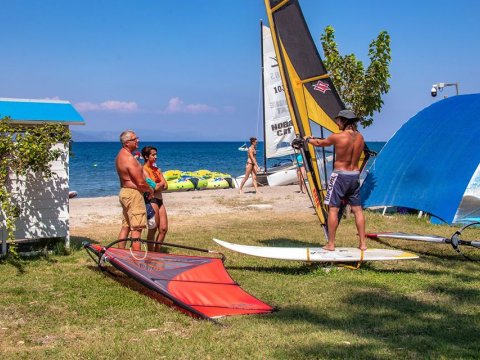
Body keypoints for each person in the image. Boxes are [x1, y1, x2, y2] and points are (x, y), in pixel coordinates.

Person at [304, 110, 367, 251]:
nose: (336, 122)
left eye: (338, 120)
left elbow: (320, 143)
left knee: (333, 209)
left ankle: (331, 244)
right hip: (354, 176)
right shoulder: (361, 138)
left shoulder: (338, 137)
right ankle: (363, 244)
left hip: (340, 176)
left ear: (344, 121)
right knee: (357, 210)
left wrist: (307, 139)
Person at [115, 130, 153, 251]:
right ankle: (136, 262)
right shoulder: (129, 159)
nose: (138, 140)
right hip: (133, 193)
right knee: (137, 229)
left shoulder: (120, 156)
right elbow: (140, 182)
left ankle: (120, 256)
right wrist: (150, 190)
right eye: (134, 139)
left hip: (125, 192)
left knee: (126, 226)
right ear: (126, 143)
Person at [141, 146, 168, 252]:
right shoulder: (144, 170)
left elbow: (166, 186)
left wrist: (159, 184)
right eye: (153, 155)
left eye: (156, 154)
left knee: (163, 229)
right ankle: (151, 253)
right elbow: (155, 187)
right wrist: (160, 183)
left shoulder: (157, 169)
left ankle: (157, 251)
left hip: (160, 200)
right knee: (153, 229)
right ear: (146, 156)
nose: (156, 157)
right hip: (151, 200)